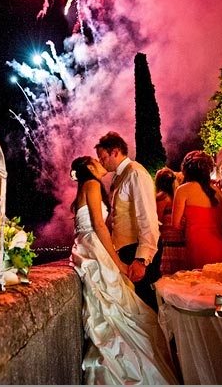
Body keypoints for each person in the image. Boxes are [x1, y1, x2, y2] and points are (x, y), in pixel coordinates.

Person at [68, 156, 179, 385]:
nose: (100, 163)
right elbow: (99, 225)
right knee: (114, 306)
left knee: (115, 306)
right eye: (96, 161)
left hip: (86, 243)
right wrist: (118, 263)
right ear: (89, 168)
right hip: (93, 245)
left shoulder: (87, 186)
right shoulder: (91, 185)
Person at [94, 131, 161, 311]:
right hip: (126, 250)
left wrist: (141, 259)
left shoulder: (136, 174)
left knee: (147, 306)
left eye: (103, 158)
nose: (101, 162)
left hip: (137, 252)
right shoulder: (118, 177)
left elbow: (147, 217)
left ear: (115, 151)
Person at [171, 151, 222, 269]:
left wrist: (185, 221)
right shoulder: (217, 191)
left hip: (199, 248)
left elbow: (176, 225)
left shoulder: (183, 190)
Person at [154, 167, 187, 275]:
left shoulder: (162, 198)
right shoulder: (177, 197)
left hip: (167, 243)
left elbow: (157, 221)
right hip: (180, 242)